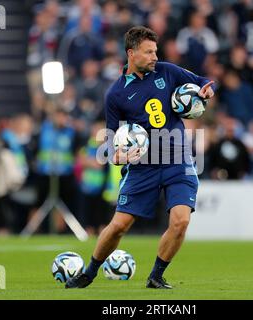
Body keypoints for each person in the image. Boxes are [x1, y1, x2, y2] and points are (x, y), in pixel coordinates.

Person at [65, 26, 214, 289]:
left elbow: (202, 80)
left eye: (155, 51)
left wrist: (206, 91)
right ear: (131, 53)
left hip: (177, 160)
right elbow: (111, 140)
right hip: (142, 166)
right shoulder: (116, 93)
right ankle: (89, 272)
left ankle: (156, 276)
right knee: (119, 226)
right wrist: (119, 155)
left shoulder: (167, 71)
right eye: (148, 52)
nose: (155, 56)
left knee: (180, 221)